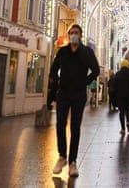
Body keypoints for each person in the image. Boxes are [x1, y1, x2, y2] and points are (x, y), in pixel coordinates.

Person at [50, 24, 100, 177]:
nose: (73, 35)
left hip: (78, 94)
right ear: (68, 35)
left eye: (76, 33)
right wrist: (57, 80)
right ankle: (62, 156)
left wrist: (84, 82)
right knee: (60, 124)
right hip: (63, 93)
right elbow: (53, 68)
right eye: (71, 33)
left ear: (80, 35)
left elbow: (96, 70)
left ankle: (73, 162)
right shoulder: (63, 51)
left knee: (75, 128)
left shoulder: (87, 52)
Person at [113, 59, 129, 134]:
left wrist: (115, 95)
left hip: (120, 96)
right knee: (128, 110)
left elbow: (115, 86)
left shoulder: (118, 74)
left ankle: (123, 129)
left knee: (121, 112)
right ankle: (128, 122)